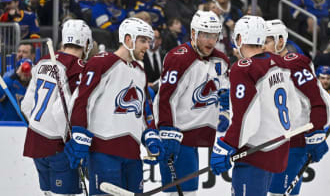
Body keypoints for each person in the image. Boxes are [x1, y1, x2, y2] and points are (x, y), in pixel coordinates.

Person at [209, 15, 318, 196]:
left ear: (240, 38)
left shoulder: (243, 68)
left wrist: (225, 145)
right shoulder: (281, 63)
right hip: (278, 150)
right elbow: (295, 108)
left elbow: (245, 117)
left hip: (254, 154)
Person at [67, 17, 161, 195]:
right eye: (143, 40)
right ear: (128, 40)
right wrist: (79, 133)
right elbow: (82, 101)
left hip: (132, 155)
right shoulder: (102, 63)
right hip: (104, 152)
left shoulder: (140, 72)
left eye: (149, 41)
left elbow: (142, 112)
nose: (147, 46)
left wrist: (150, 136)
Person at [152, 10, 229, 195]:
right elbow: (166, 98)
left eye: (214, 36)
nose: (211, 41)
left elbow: (224, 91)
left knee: (188, 190)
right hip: (176, 134)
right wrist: (167, 131)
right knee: (181, 191)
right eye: (205, 35)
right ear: (194, 33)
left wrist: (224, 112)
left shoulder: (221, 60)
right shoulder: (178, 58)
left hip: (195, 134)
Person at [21, 19, 93, 196]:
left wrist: (39, 125)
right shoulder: (78, 68)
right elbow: (61, 111)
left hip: (35, 140)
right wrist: (72, 141)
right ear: (86, 42)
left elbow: (26, 104)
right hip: (58, 145)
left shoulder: (43, 61)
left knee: (48, 193)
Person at [263, 19, 330, 196]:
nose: (262, 47)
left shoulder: (294, 63)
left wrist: (315, 133)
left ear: (280, 41)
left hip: (294, 142)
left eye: (266, 41)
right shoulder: (267, 66)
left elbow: (317, 100)